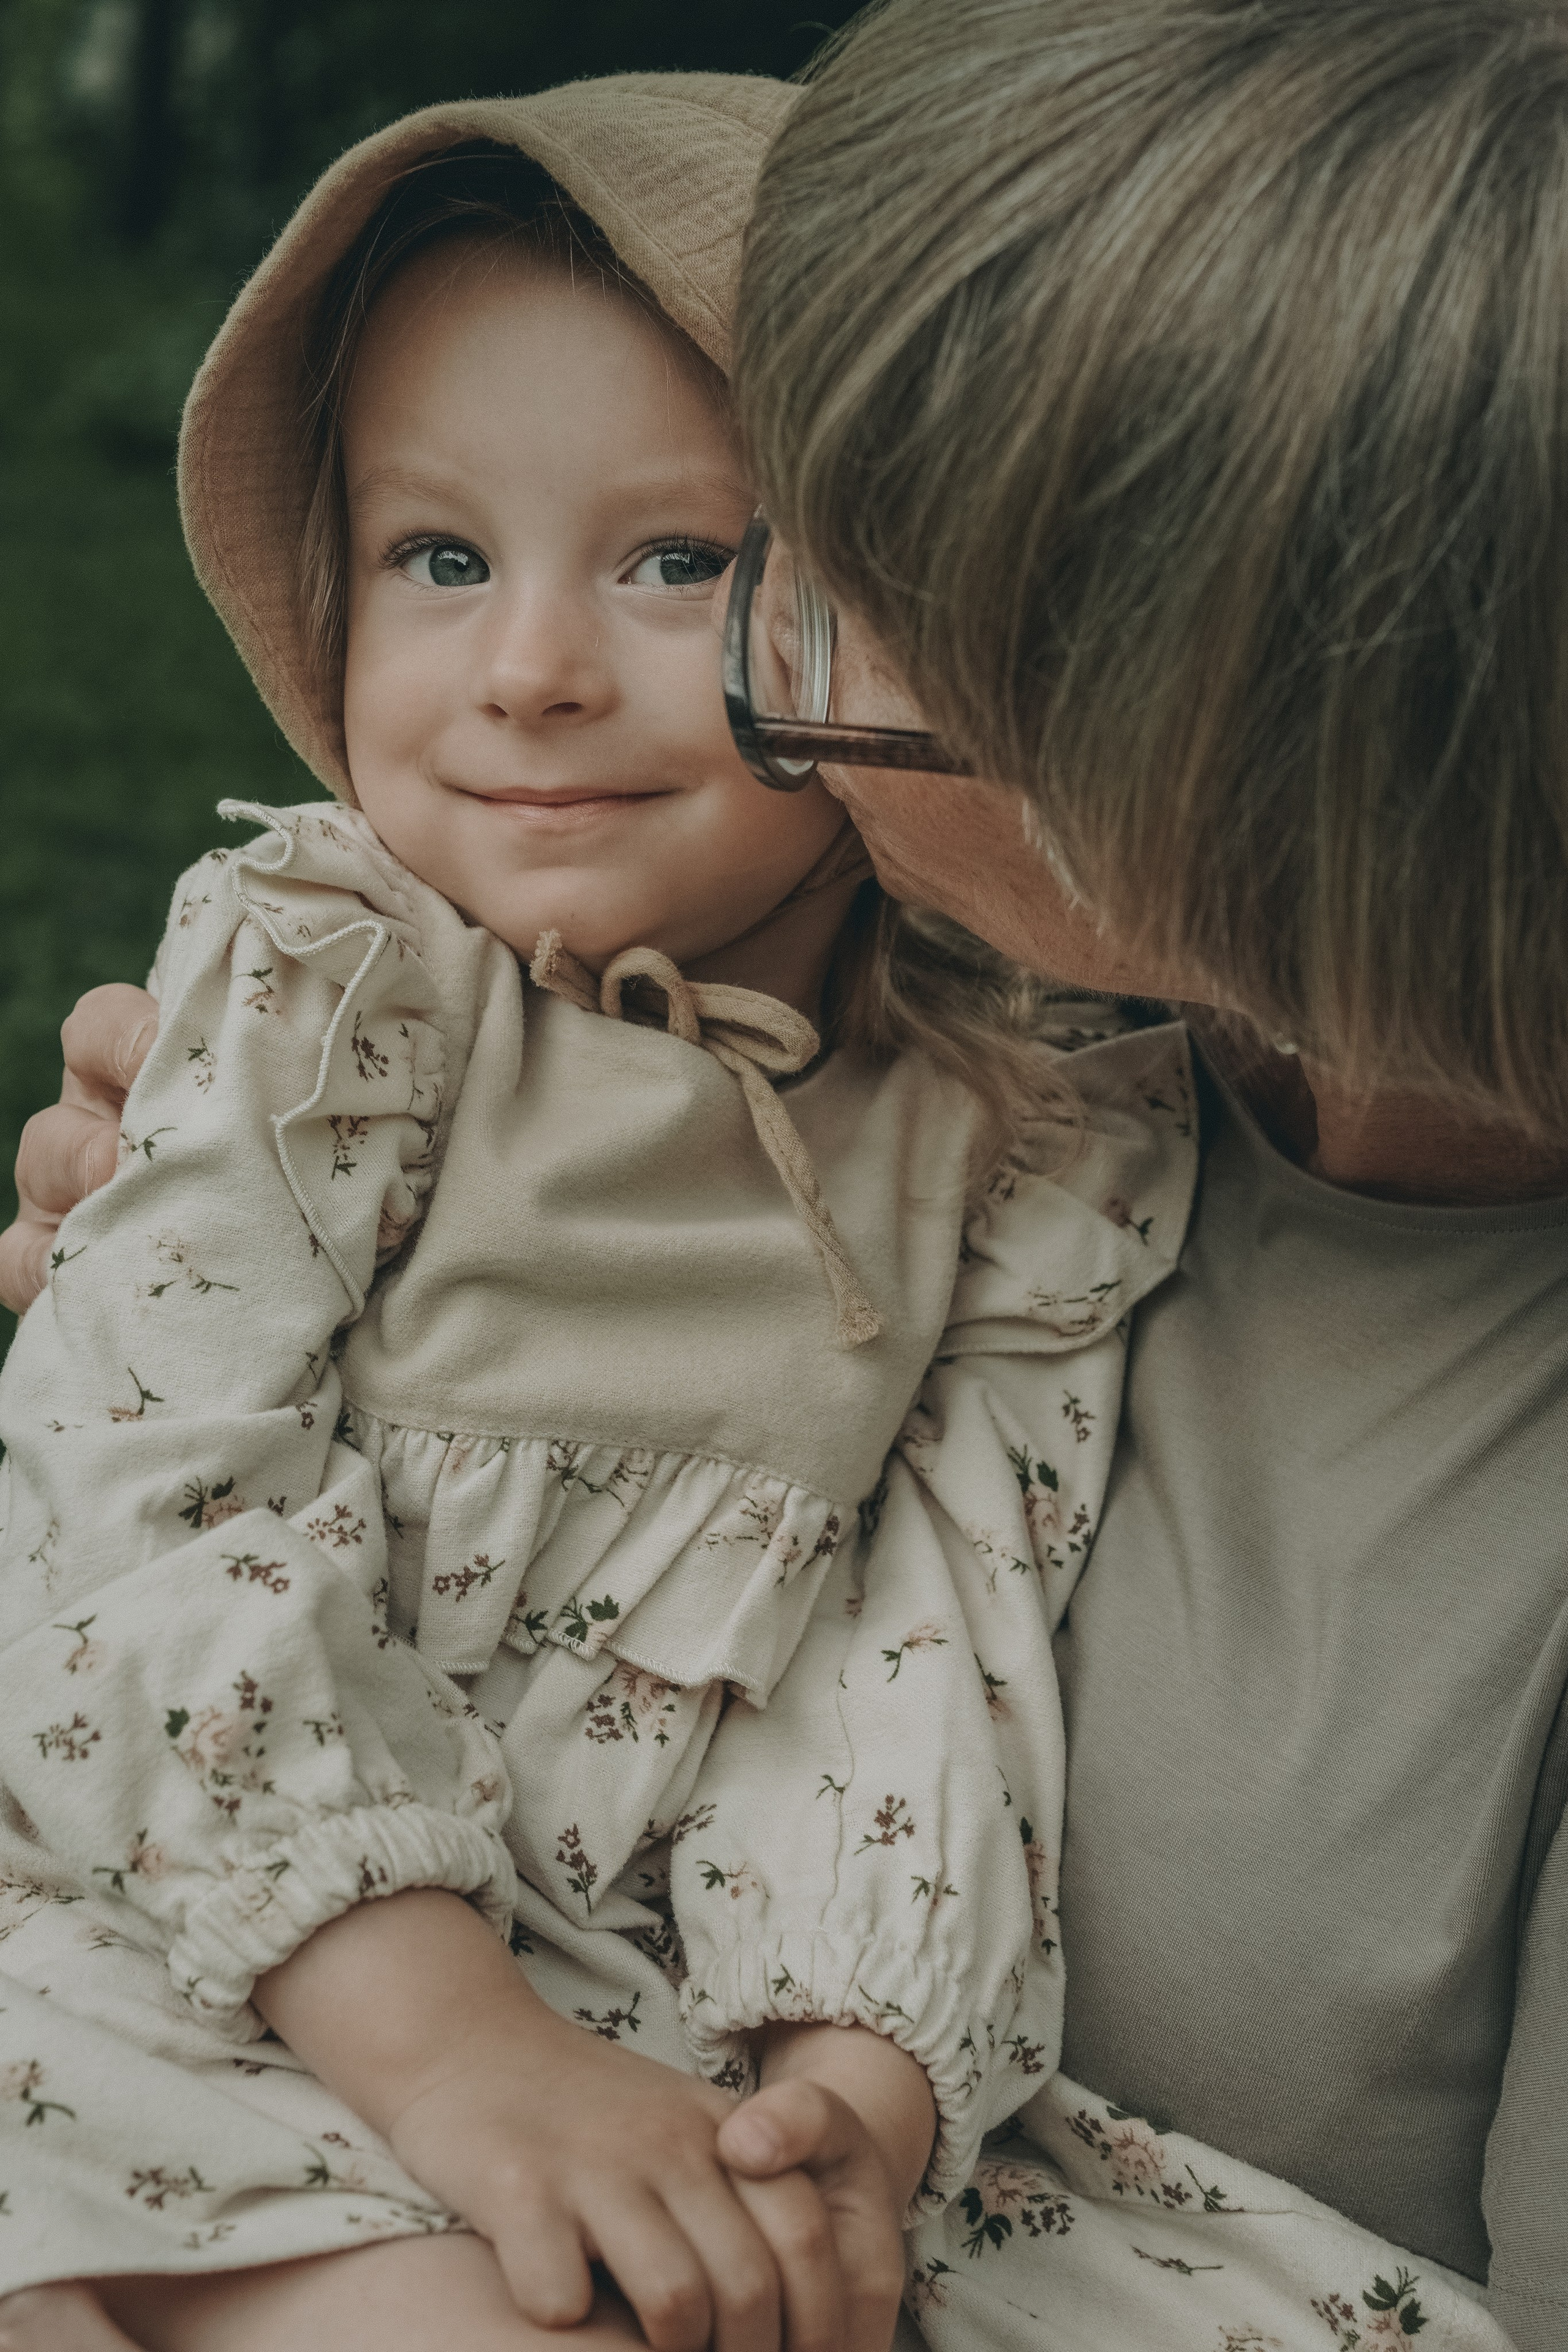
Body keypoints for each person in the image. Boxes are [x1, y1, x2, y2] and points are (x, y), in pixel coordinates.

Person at [4, 4, 1566, 2350]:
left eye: (744, 580)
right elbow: (146, 1503)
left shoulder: (1025, 1148)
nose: (542, 674)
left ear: (1225, 738)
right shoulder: (363, 993)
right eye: (435, 554)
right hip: (258, 1944)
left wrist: (860, 2057)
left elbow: (920, 1617)